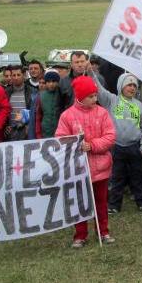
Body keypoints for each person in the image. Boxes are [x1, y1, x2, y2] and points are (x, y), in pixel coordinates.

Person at [55, 76, 116, 248]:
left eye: (95, 96)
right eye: (90, 96)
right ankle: (80, 235)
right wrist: (76, 145)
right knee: (80, 204)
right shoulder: (67, 116)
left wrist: (93, 145)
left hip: (100, 168)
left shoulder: (102, 113)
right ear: (80, 96)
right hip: (78, 169)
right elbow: (60, 138)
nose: (94, 99)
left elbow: (110, 136)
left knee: (101, 202)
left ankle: (103, 231)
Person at [93, 72, 142, 214]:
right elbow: (99, 89)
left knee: (138, 176)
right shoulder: (111, 101)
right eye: (128, 85)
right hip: (116, 147)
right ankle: (114, 205)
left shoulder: (139, 105)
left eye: (134, 85)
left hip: (135, 147)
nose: (132, 88)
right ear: (121, 86)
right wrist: (90, 72)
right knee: (117, 178)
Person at [30, 69, 63, 139]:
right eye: (48, 82)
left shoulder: (62, 93)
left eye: (54, 81)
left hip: (60, 132)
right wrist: (38, 133)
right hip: (45, 133)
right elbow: (38, 116)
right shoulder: (41, 96)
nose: (51, 84)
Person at [4, 65, 32, 141]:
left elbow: (34, 112)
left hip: (26, 133)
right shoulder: (6, 92)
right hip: (10, 134)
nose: (16, 78)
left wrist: (29, 126)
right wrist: (5, 126)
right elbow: (2, 111)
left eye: (18, 75)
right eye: (14, 75)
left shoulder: (31, 92)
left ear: (23, 75)